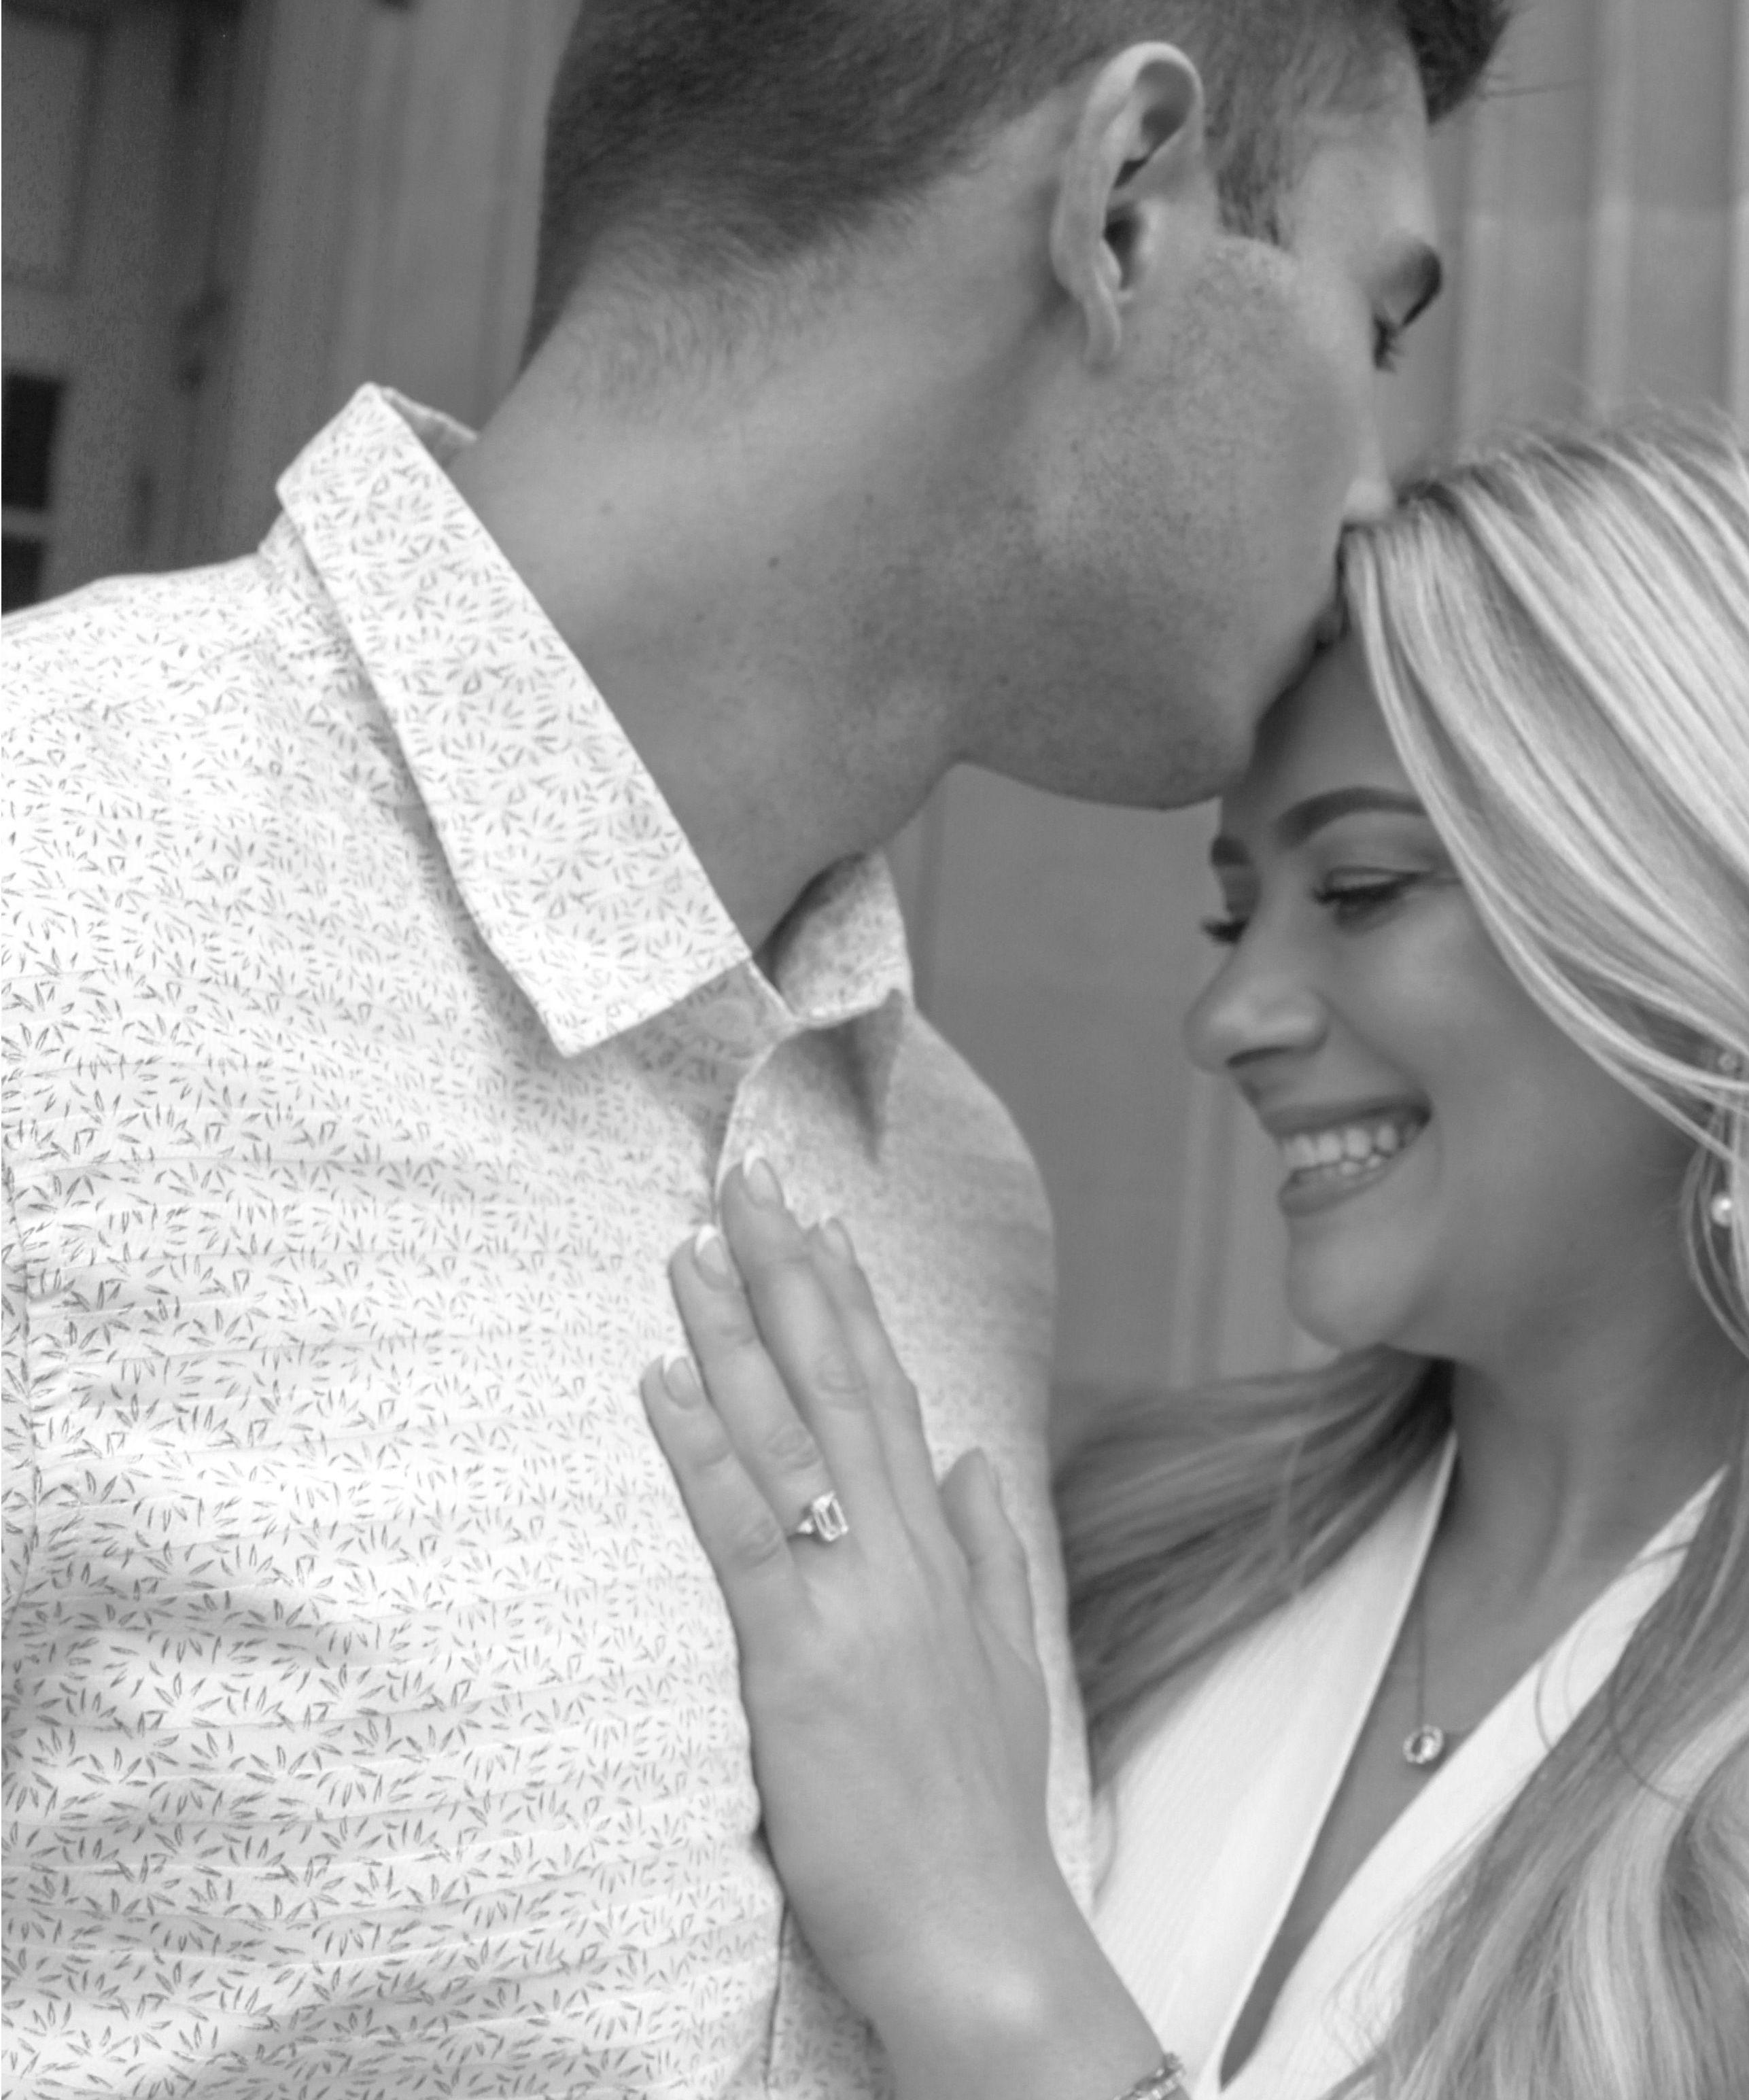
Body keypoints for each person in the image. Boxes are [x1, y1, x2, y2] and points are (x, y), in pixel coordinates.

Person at [0, 3, 1508, 2093]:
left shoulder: (955, 1190)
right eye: (1381, 323)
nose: (1372, 491)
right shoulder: (48, 908)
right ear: (1125, 208)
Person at [641, 421, 1749, 2100]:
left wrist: (994, 1968)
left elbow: (981, 1977)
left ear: (1733, 937)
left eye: (1361, 887)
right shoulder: (1135, 1562)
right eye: (1233, 915)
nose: (1228, 1015)